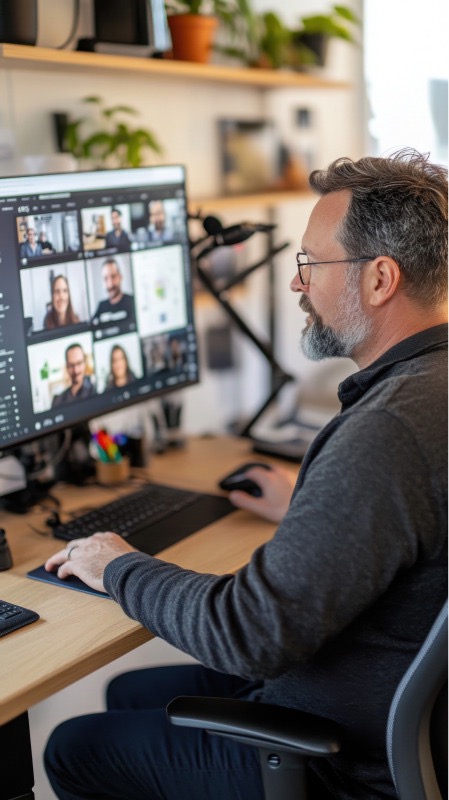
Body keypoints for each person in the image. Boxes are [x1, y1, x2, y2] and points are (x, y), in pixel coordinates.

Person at [44, 150, 448, 800]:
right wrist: (308, 510)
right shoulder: (431, 388)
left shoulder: (387, 430)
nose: (298, 284)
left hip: (347, 760)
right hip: (387, 705)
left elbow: (247, 633)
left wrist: (114, 564)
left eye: (310, 263)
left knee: (75, 748)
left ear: (379, 279)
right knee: (129, 690)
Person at [92, 258, 136, 325]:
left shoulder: (132, 301)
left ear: (120, 277)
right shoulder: (101, 306)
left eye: (113, 276)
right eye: (106, 278)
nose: (110, 284)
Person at [51, 343, 96, 407]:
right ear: (66, 367)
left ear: (84, 363)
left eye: (79, 363)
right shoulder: (58, 401)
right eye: (71, 365)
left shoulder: (95, 390)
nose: (76, 370)